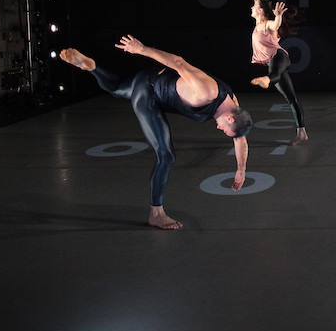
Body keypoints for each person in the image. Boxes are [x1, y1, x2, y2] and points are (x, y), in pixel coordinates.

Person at [59, 35, 252, 230]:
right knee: (165, 156)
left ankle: (91, 67)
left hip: (153, 79)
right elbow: (178, 62)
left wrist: (241, 170)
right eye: (225, 130)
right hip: (150, 93)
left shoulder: (233, 105)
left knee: (117, 89)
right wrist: (141, 49)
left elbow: (240, 139)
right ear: (230, 118)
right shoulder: (208, 92)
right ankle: (156, 214)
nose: (219, 129)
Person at [249, 0, 308, 145]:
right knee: (291, 98)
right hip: (272, 62)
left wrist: (278, 15)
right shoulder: (258, 24)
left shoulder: (267, 24)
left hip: (279, 57)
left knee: (273, 74)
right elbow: (259, 11)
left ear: (260, 11)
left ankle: (266, 79)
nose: (251, 8)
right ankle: (301, 132)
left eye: (254, 7)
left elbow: (275, 24)